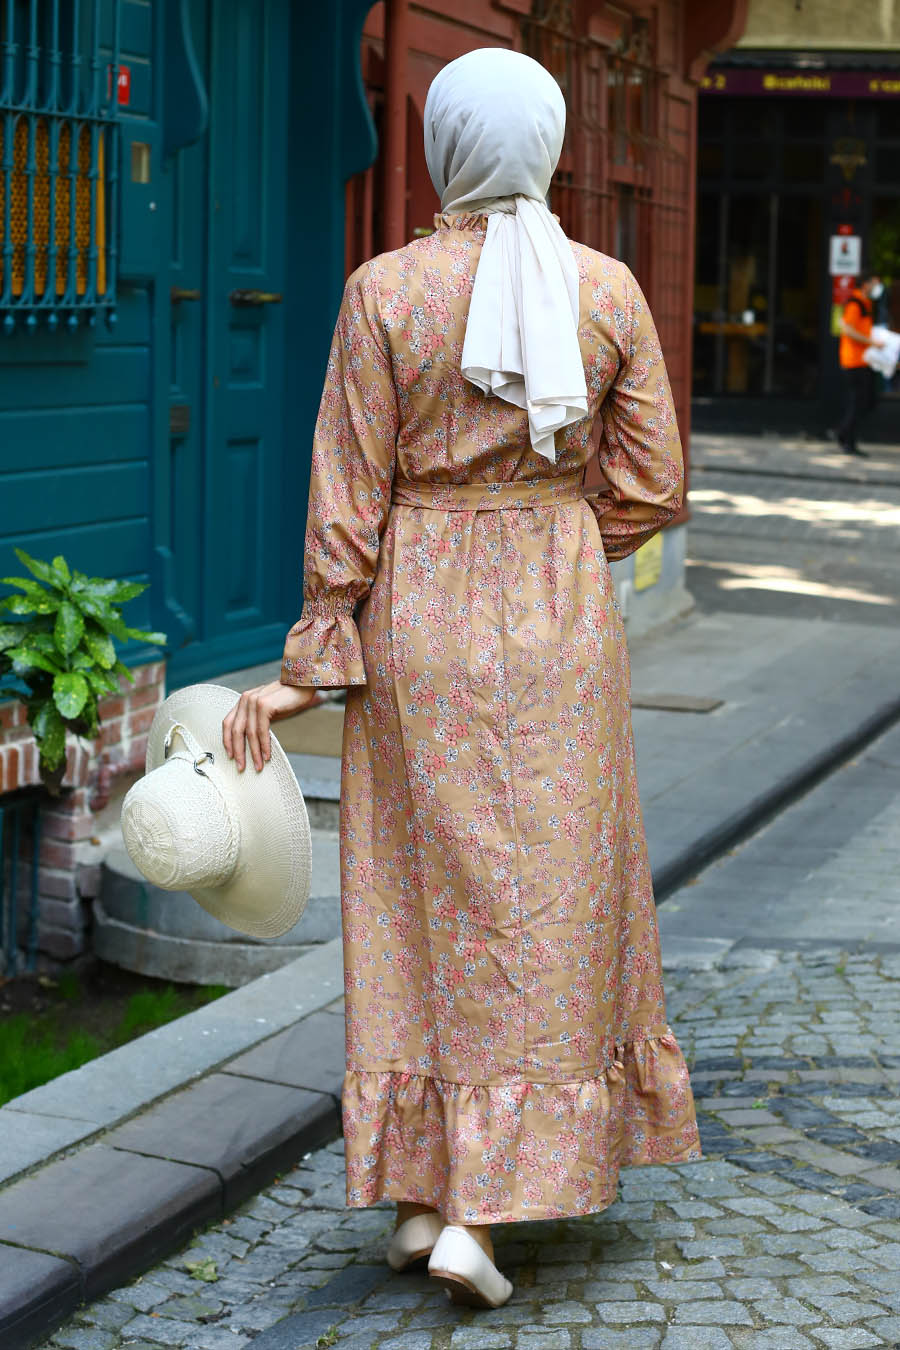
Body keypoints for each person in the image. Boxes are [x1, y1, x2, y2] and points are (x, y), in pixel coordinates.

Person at [222, 47, 700, 1309]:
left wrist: (315, 658)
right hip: (556, 623)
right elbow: (653, 484)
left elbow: (348, 493)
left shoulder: (385, 290)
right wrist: (542, 529)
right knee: (550, 895)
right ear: (541, 145)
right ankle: (479, 1211)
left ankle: (434, 1192)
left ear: (443, 144)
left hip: (420, 612)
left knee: (417, 899)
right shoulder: (604, 292)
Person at [837, 271, 885, 457]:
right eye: (875, 282)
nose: (877, 287)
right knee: (858, 403)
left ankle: (845, 434)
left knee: (864, 402)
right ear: (866, 284)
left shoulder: (865, 303)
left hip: (864, 360)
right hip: (854, 362)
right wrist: (872, 342)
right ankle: (846, 439)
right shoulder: (854, 303)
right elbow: (847, 329)